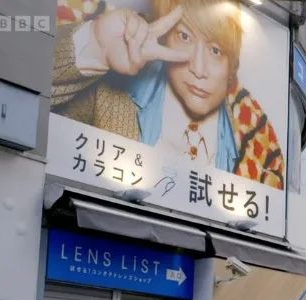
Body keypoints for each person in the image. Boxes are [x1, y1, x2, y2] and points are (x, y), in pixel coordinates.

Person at [53, 0, 286, 188]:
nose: (199, 69)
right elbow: (39, 112)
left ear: (232, 66)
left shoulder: (259, 151)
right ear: (165, 39)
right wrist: (97, 45)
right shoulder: (109, 96)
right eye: (184, 37)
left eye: (215, 50)